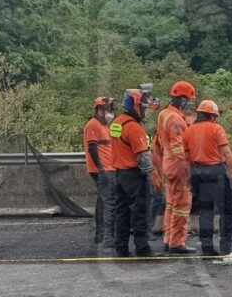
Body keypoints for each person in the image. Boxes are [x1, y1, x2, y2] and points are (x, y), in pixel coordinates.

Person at [184, 100, 232, 255]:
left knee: (206, 209)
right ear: (212, 116)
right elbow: (227, 153)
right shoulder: (216, 129)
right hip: (215, 171)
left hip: (197, 172)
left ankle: (207, 248)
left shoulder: (189, 131)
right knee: (226, 210)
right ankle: (225, 248)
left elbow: (186, 159)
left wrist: (189, 177)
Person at [110, 88, 162, 257]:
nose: (145, 110)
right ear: (135, 106)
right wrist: (154, 175)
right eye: (143, 107)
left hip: (119, 174)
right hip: (134, 175)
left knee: (122, 212)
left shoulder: (117, 123)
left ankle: (121, 248)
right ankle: (142, 248)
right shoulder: (134, 127)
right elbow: (142, 156)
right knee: (140, 212)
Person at [155, 80, 196, 254]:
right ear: (180, 98)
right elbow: (179, 147)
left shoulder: (165, 113)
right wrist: (188, 170)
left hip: (167, 163)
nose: (188, 103)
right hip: (178, 165)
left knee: (171, 204)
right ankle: (177, 243)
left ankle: (169, 239)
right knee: (182, 205)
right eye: (187, 99)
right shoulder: (175, 119)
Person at [83, 96, 117, 248]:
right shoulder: (93, 125)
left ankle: (101, 236)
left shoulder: (104, 126)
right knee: (109, 202)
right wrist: (102, 169)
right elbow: (92, 148)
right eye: (108, 109)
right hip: (103, 170)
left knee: (103, 202)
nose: (110, 113)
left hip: (108, 168)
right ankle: (108, 239)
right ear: (100, 110)